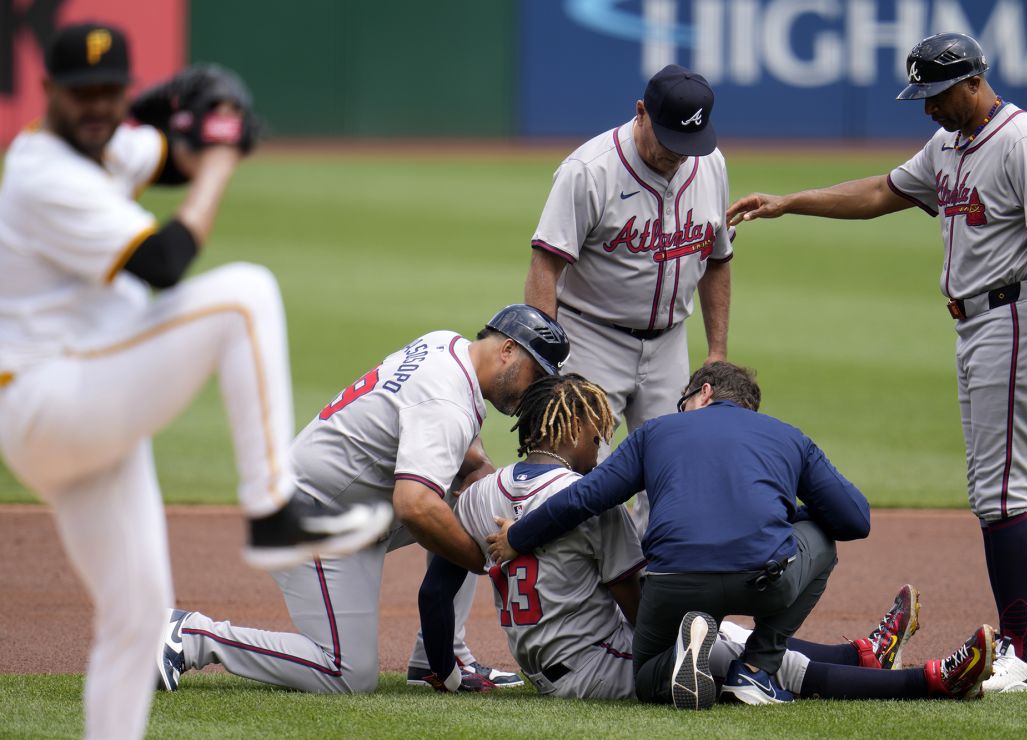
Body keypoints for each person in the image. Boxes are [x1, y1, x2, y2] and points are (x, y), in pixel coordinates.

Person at [0, 23, 386, 740]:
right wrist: (221, 158)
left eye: (109, 92)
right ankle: (272, 511)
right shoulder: (41, 170)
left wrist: (202, 124)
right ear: (48, 93)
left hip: (85, 409)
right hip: (52, 398)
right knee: (244, 296)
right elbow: (165, 260)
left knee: (135, 618)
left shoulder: (104, 140)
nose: (97, 106)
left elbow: (162, 153)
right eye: (81, 94)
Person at [725, 32, 1027, 694]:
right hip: (979, 323)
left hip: (1014, 317)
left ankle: (1021, 655)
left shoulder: (1024, 140)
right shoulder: (950, 145)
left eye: (936, 96)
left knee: (1000, 492)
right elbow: (881, 191)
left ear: (974, 82)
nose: (927, 110)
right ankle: (1016, 645)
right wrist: (788, 202)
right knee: (992, 489)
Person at [444, 374, 993, 704]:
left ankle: (863, 653)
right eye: (596, 433)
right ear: (570, 428)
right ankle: (929, 681)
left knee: (714, 631)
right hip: (598, 663)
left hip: (538, 662)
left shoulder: (478, 498)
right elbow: (634, 603)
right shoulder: (594, 509)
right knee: (740, 656)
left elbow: (442, 578)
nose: (602, 445)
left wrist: (440, 663)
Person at [157, 305, 570, 695]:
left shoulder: (445, 346)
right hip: (307, 515)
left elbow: (462, 449)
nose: (534, 392)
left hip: (333, 501)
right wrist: (483, 558)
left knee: (476, 504)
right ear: (508, 350)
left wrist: (485, 485)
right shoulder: (446, 402)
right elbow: (415, 505)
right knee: (346, 672)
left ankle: (438, 659)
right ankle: (191, 635)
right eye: (536, 376)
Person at [487, 362, 874, 709]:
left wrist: (519, 536)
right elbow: (855, 519)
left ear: (703, 392)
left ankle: (679, 658)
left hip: (674, 584)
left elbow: (584, 498)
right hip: (762, 579)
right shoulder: (787, 436)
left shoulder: (656, 431)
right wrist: (783, 513)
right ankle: (757, 668)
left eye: (682, 402)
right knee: (822, 536)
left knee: (646, 678)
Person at [523, 63, 733, 533]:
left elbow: (718, 259)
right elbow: (545, 265)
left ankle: (657, 598)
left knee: (675, 477)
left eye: (688, 145)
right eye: (669, 141)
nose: (678, 156)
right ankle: (567, 600)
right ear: (641, 113)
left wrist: (716, 352)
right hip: (591, 337)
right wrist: (544, 360)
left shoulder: (710, 164)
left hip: (669, 346)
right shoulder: (588, 171)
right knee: (574, 474)